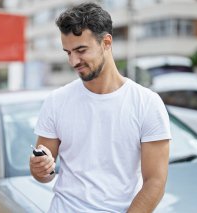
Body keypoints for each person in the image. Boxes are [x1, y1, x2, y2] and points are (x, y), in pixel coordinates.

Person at [29, 3, 171, 213]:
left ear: (106, 42)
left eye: (81, 50)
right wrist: (39, 170)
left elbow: (155, 182)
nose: (73, 61)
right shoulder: (56, 101)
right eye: (68, 52)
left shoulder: (147, 103)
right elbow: (45, 175)